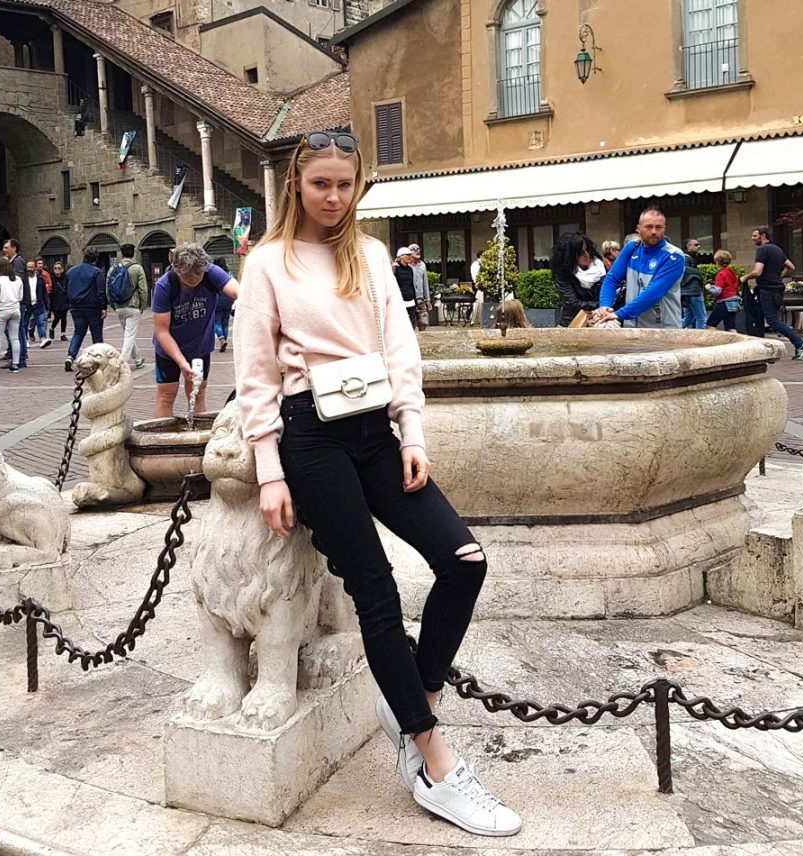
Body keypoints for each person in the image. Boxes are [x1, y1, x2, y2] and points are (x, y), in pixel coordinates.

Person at [235, 130, 521, 837]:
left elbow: (401, 349)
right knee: (377, 589)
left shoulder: (367, 255)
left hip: (376, 434)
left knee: (464, 561)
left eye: (345, 184)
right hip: (311, 437)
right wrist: (270, 472)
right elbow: (255, 379)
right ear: (295, 186)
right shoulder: (267, 264)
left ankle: (411, 695)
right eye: (320, 184)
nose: (333, 198)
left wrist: (413, 433)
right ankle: (432, 760)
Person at [151, 243, 237, 417]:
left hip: (199, 347)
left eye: (198, 272)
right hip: (169, 350)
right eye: (187, 274)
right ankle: (163, 441)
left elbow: (239, 292)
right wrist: (182, 363)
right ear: (177, 270)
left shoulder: (211, 273)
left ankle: (197, 437)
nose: (194, 278)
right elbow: (162, 331)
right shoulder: (165, 286)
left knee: (197, 393)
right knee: (166, 395)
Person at [592, 206, 684, 328]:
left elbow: (653, 292)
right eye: (649, 226)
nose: (654, 231)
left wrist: (620, 314)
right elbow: (612, 279)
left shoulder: (674, 256)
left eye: (659, 227)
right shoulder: (631, 248)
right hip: (632, 327)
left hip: (663, 329)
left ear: (664, 229)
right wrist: (605, 307)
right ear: (638, 229)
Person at [742, 226, 803, 359]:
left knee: (772, 321)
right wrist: (778, 276)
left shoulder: (762, 250)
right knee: (759, 316)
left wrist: (745, 277)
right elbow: (791, 267)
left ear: (762, 236)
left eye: (755, 236)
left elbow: (758, 271)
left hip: (767, 289)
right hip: (777, 289)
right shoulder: (777, 249)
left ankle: (799, 343)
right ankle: (759, 348)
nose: (752, 238)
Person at [64, 247, 107, 372]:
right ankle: (98, 359)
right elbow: (100, 291)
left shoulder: (71, 271)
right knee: (97, 335)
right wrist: (103, 307)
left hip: (76, 307)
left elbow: (66, 289)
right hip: (93, 307)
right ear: (96, 258)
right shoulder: (97, 272)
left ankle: (70, 356)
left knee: (78, 332)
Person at [551, 232, 606, 327]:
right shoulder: (563, 273)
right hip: (573, 322)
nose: (587, 255)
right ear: (570, 257)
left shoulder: (601, 266)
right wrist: (602, 305)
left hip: (601, 321)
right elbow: (572, 303)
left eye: (587, 249)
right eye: (581, 253)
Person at [108, 243, 148, 369]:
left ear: (122, 254)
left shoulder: (112, 269)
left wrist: (113, 304)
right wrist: (143, 305)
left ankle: (138, 359)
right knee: (129, 335)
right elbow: (143, 289)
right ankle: (122, 363)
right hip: (133, 305)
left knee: (128, 333)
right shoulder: (137, 268)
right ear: (133, 253)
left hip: (119, 306)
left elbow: (107, 288)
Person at [0, 257, 23, 373]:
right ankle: (15, 364)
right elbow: (21, 297)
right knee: (15, 338)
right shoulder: (17, 279)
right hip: (15, 309)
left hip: (1, 310)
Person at [21, 259, 52, 358]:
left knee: (41, 321)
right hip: (26, 303)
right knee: (25, 323)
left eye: (31, 267)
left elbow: (44, 292)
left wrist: (47, 304)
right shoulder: (23, 278)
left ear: (34, 267)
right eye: (28, 267)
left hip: (38, 303)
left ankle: (43, 338)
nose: (29, 269)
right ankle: (25, 340)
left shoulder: (40, 278)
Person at [706, 250, 740, 331]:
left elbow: (718, 291)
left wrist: (709, 287)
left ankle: (712, 343)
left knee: (711, 324)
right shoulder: (732, 272)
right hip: (734, 301)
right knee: (731, 327)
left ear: (717, 261)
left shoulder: (720, 274)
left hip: (724, 302)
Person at [680, 240, 706, 330]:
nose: (698, 246)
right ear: (688, 246)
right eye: (696, 245)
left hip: (689, 292)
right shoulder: (685, 258)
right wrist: (698, 275)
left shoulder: (689, 258)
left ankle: (672, 331)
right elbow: (686, 272)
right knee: (701, 318)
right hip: (694, 292)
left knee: (688, 318)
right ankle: (700, 340)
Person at [213, 257, 234, 352]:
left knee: (216, 322)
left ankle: (221, 339)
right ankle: (224, 340)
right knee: (225, 323)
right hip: (228, 300)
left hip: (217, 300)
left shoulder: (214, 274)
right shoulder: (229, 274)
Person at [393, 247, 418, 327]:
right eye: (407, 255)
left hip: (410, 299)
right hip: (400, 300)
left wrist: (415, 300)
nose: (410, 257)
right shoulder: (394, 269)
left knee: (412, 322)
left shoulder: (410, 269)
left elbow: (412, 285)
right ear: (401, 256)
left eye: (410, 255)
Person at [409, 244, 431, 331]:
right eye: (414, 250)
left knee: (423, 321)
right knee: (411, 323)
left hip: (421, 298)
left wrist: (428, 299)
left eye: (418, 250)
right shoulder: (407, 266)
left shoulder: (422, 265)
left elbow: (425, 283)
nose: (417, 251)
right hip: (410, 298)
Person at [48, 261, 69, 341]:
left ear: (62, 270)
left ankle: (63, 334)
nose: (57, 270)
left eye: (59, 268)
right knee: (57, 317)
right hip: (55, 301)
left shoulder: (65, 278)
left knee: (64, 317)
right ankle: (52, 328)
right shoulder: (51, 279)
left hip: (64, 300)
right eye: (55, 268)